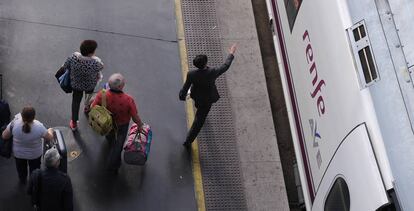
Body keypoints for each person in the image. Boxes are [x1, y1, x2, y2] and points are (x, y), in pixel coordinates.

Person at [179, 44, 237, 147]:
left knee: (198, 106)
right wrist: (231, 53)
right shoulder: (212, 72)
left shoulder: (191, 74)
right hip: (208, 99)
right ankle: (188, 141)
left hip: (196, 96)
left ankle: (189, 140)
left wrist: (182, 96)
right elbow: (225, 66)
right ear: (205, 63)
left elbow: (185, 87)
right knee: (198, 122)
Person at [91, 73, 143, 174]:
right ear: (120, 86)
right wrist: (140, 125)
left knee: (110, 136)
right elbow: (135, 116)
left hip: (106, 124)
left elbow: (93, 107)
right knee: (117, 146)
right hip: (121, 126)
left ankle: (109, 139)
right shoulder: (128, 100)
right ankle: (112, 165)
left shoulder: (102, 94)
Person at [1, 106, 54, 184]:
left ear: (21, 116)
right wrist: (50, 130)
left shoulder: (14, 124)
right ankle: (33, 182)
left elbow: (4, 136)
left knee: (21, 169)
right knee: (35, 170)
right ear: (34, 117)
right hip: (35, 155)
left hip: (18, 154)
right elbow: (49, 138)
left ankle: (22, 180)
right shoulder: (39, 126)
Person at [62, 40, 104, 131]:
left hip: (76, 85)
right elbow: (101, 67)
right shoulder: (96, 62)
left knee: (76, 102)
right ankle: (87, 107)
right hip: (90, 85)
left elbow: (65, 66)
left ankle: (74, 123)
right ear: (91, 52)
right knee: (88, 97)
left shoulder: (73, 57)